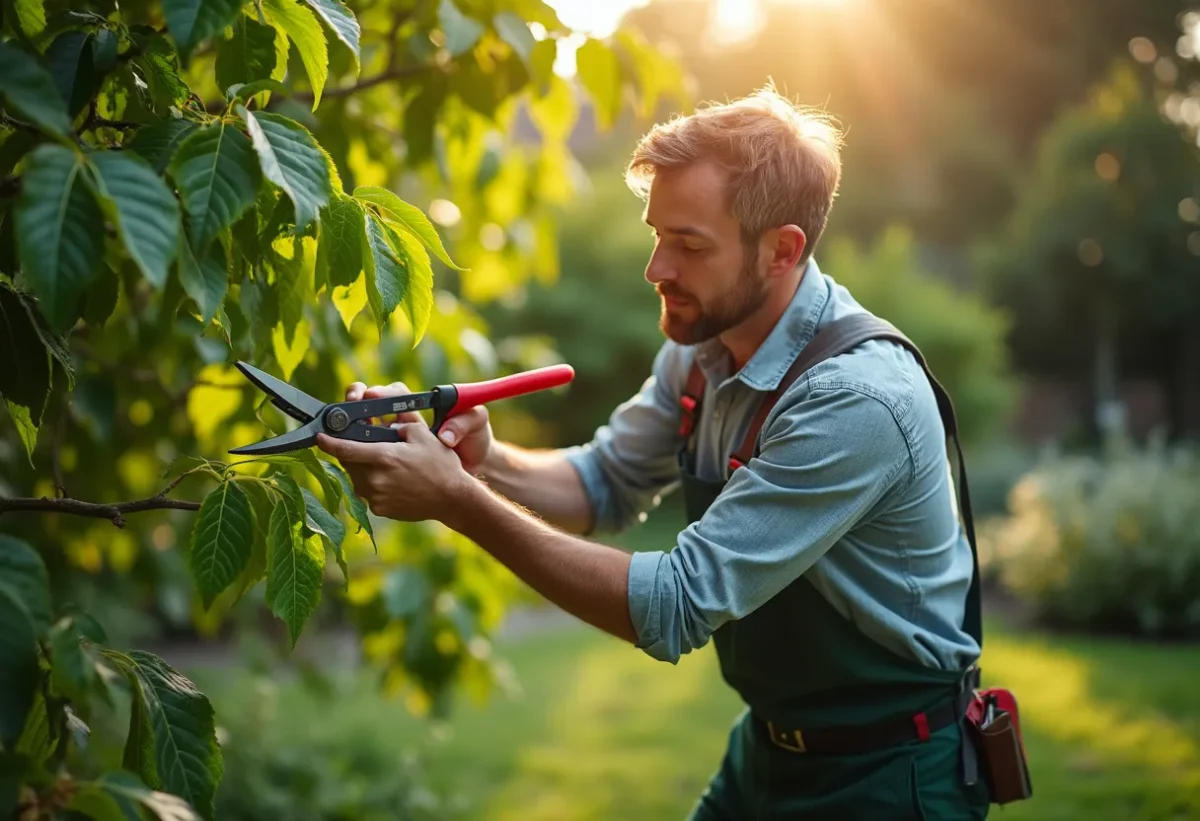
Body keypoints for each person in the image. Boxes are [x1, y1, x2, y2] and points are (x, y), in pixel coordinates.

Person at [317, 86, 991, 820]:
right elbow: (604, 482)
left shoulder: (854, 401)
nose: (656, 269)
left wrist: (455, 499)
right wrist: (484, 457)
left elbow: (673, 606)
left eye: (690, 245)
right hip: (769, 751)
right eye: (656, 235)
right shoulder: (704, 347)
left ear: (783, 250)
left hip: (889, 775)